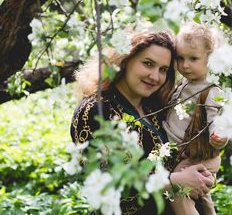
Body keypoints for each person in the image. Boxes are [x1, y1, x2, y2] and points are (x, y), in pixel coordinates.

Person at [70, 31, 214, 215]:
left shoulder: (158, 106)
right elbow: (108, 184)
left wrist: (203, 177)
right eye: (148, 64)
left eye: (163, 70)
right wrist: (175, 181)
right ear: (125, 60)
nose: (155, 77)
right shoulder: (95, 110)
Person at [163, 23, 228, 215]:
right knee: (204, 199)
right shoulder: (186, 83)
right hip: (185, 152)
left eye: (193, 58)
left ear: (210, 59)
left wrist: (219, 136)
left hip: (197, 156)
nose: (184, 65)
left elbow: (216, 119)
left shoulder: (211, 89)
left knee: (178, 191)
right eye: (180, 58)